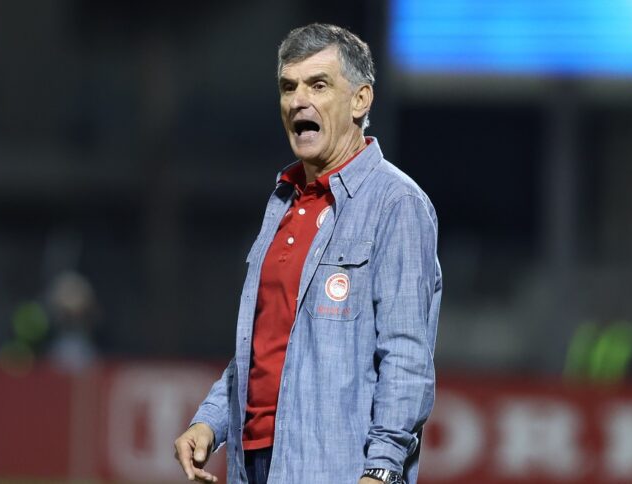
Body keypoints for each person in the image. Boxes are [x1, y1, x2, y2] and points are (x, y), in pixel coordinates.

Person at [174, 23, 442, 484]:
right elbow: (264, 346)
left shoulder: (396, 204)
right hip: (253, 465)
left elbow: (406, 356)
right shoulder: (283, 202)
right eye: (288, 87)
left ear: (360, 100)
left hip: (338, 469)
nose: (298, 100)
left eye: (318, 85)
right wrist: (210, 421)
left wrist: (381, 469)